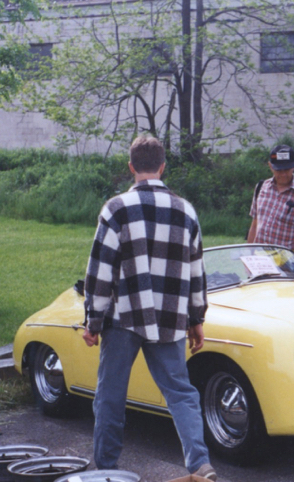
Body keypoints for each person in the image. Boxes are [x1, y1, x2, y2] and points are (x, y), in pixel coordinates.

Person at [82, 136, 216, 481]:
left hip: (124, 317)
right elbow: (197, 271)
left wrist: (93, 321)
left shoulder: (116, 209)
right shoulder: (186, 210)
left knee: (110, 395)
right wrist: (196, 319)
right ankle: (200, 465)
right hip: (171, 318)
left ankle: (107, 470)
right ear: (162, 167)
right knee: (181, 394)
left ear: (131, 167)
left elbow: (100, 270)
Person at [247, 144, 294, 270]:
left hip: (289, 260)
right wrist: (248, 255)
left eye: (287, 170)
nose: (283, 174)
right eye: (279, 170)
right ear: (270, 166)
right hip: (261, 259)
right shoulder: (261, 187)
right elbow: (255, 222)